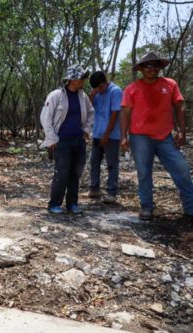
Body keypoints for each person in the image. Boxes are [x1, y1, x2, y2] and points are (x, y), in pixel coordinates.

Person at [120, 52, 193, 221]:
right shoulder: (132, 89)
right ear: (141, 69)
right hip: (140, 137)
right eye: (148, 66)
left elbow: (179, 107)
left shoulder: (170, 84)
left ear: (160, 68)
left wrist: (182, 131)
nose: (152, 69)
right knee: (144, 172)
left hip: (165, 136)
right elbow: (125, 112)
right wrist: (123, 136)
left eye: (155, 65)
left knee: (181, 168)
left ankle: (190, 208)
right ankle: (147, 207)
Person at [40, 65, 94, 214]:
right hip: (61, 141)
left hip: (78, 140)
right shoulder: (56, 95)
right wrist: (52, 139)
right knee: (61, 173)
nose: (84, 80)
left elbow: (91, 113)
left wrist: (86, 131)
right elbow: (46, 118)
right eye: (81, 77)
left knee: (75, 173)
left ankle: (72, 204)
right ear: (73, 79)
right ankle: (54, 204)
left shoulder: (82, 96)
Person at [88, 71, 123, 204]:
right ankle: (94, 188)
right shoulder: (96, 93)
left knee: (112, 164)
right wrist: (92, 94)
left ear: (106, 82)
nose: (100, 90)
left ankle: (111, 192)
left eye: (102, 87)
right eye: (97, 88)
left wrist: (107, 135)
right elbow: (88, 108)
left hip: (111, 135)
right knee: (94, 161)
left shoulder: (115, 91)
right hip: (97, 133)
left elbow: (115, 115)